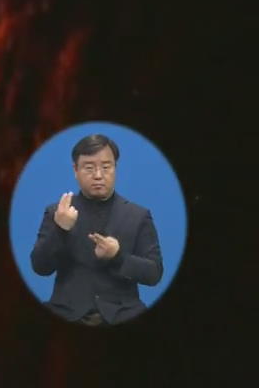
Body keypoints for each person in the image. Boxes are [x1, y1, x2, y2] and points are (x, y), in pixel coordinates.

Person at [30, 134, 163, 326]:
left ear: (115, 168)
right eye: (89, 168)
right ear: (75, 170)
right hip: (66, 313)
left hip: (123, 314)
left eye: (106, 167)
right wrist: (60, 229)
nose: (98, 175)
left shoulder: (138, 215)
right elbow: (40, 267)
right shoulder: (58, 212)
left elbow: (154, 274)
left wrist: (118, 256)